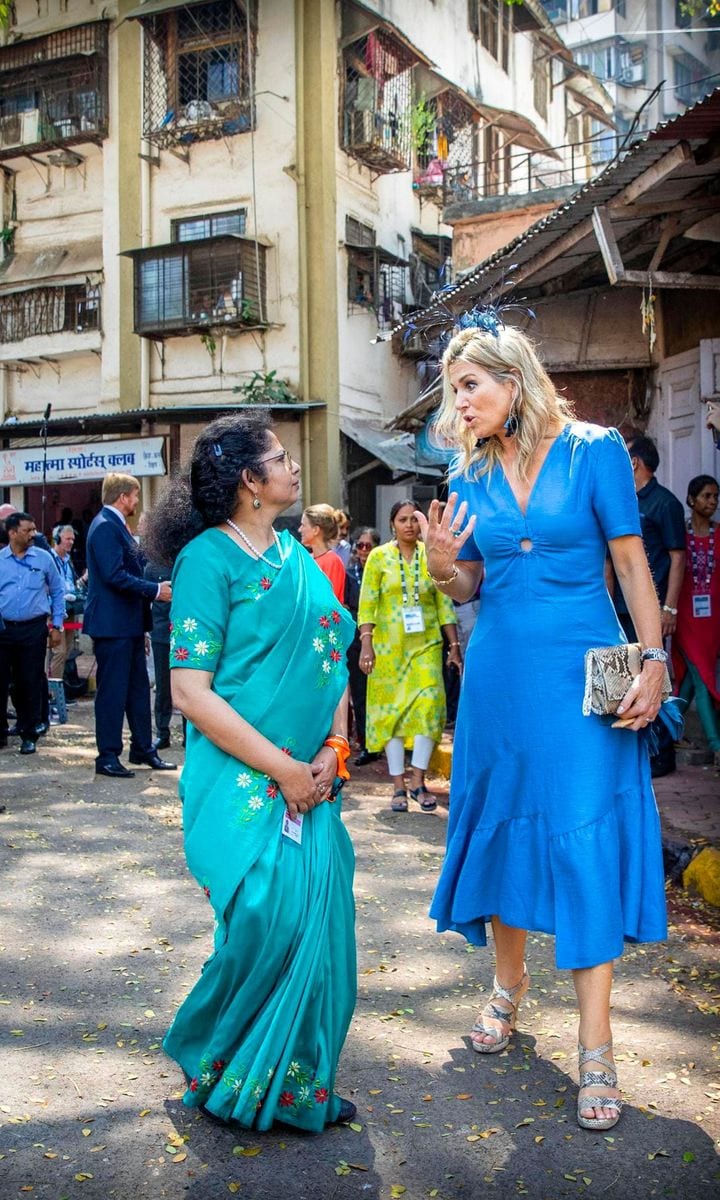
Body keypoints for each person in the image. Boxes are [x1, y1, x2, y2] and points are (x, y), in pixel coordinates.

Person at [423, 321, 669, 1133]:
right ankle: (508, 985)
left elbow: (630, 563)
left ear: (513, 377)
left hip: (584, 668)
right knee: (505, 827)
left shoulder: (593, 450)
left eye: (469, 386)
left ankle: (596, 1048)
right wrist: (442, 568)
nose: (458, 404)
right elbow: (470, 586)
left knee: (582, 834)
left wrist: (654, 659)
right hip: (498, 673)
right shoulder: (467, 469)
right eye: (453, 389)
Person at [147, 411, 357, 1132]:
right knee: (265, 917)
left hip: (312, 779)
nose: (295, 469)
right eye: (282, 459)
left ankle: (298, 1084)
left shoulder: (297, 560)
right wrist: (284, 771)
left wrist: (334, 748)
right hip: (240, 779)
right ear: (250, 480)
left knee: (318, 929)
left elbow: (333, 654)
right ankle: (221, 1057)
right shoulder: (208, 560)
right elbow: (189, 691)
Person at [357, 500, 461, 811]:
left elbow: (444, 603)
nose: (410, 525)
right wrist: (366, 642)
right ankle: (398, 785)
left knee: (429, 709)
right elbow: (367, 602)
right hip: (388, 649)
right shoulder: (378, 558)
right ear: (392, 524)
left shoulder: (431, 555)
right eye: (403, 520)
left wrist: (454, 646)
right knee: (392, 716)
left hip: (426, 646)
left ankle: (418, 781)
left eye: (415, 519)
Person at [83, 473, 176, 779]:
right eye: (135, 496)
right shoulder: (105, 527)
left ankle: (142, 748)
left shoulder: (117, 526)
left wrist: (144, 627)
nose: (137, 502)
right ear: (123, 497)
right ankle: (107, 756)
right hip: (112, 627)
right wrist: (154, 590)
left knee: (137, 690)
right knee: (112, 692)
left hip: (129, 626)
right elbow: (114, 575)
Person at [614, 435, 686, 778]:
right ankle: (643, 750)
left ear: (635, 463)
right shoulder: (625, 499)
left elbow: (677, 558)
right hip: (623, 609)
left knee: (657, 678)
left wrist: (668, 609)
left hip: (652, 609)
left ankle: (663, 753)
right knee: (630, 680)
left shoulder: (664, 502)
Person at [0, 512, 65, 755]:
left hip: (33, 629)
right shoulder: (0, 561)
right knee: (3, 682)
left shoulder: (44, 558)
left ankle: (30, 733)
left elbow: (57, 591)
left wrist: (57, 624)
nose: (33, 535)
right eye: (27, 530)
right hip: (4, 629)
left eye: (34, 529)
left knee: (30, 681)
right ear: (12, 532)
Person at [671, 474, 720, 754]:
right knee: (702, 678)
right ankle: (716, 745)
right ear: (691, 499)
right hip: (686, 617)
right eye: (706, 496)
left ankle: (666, 728)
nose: (712, 501)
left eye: (715, 497)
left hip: (712, 620)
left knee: (694, 676)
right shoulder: (680, 535)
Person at [345, 527, 381, 766]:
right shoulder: (350, 574)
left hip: (384, 637)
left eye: (368, 546)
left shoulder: (383, 568)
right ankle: (368, 743)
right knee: (360, 694)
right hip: (357, 639)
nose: (363, 551)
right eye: (360, 546)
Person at [49, 525, 81, 684]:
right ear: (57, 539)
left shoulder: (68, 561)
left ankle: (60, 688)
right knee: (59, 652)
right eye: (67, 539)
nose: (70, 542)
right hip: (55, 611)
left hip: (70, 609)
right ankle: (54, 694)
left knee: (67, 651)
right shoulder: (49, 559)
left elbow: (72, 584)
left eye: (72, 540)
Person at [299, 504, 346, 604]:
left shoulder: (332, 561)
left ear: (316, 530)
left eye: (303, 525)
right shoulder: (305, 559)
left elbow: (329, 602)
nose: (300, 529)